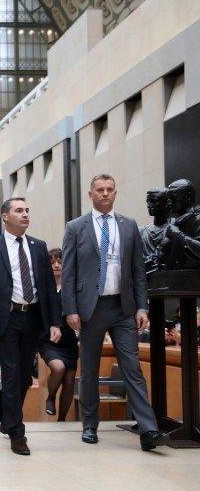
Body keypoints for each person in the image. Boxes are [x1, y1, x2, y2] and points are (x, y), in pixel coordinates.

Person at [61, 174, 169, 451]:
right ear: (91, 195)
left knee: (132, 368)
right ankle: (89, 425)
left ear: (115, 193)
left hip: (123, 308)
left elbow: (138, 271)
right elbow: (69, 272)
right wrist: (70, 309)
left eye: (109, 189)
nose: (105, 194)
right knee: (90, 369)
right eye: (100, 190)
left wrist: (142, 305)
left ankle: (148, 429)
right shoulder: (76, 227)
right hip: (91, 308)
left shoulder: (129, 226)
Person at [0, 197, 60, 456]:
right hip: (7, 319)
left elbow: (47, 289)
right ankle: (17, 432)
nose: (25, 214)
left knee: (24, 376)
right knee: (11, 373)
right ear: (5, 216)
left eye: (27, 210)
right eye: (19, 210)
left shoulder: (38, 247)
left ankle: (8, 421)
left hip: (33, 318)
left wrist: (54, 322)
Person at [39, 248, 79, 420]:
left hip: (69, 341)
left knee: (70, 382)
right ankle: (50, 397)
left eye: (59, 262)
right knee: (58, 368)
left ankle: (62, 420)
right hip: (48, 341)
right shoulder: (42, 287)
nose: (56, 265)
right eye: (53, 262)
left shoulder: (72, 286)